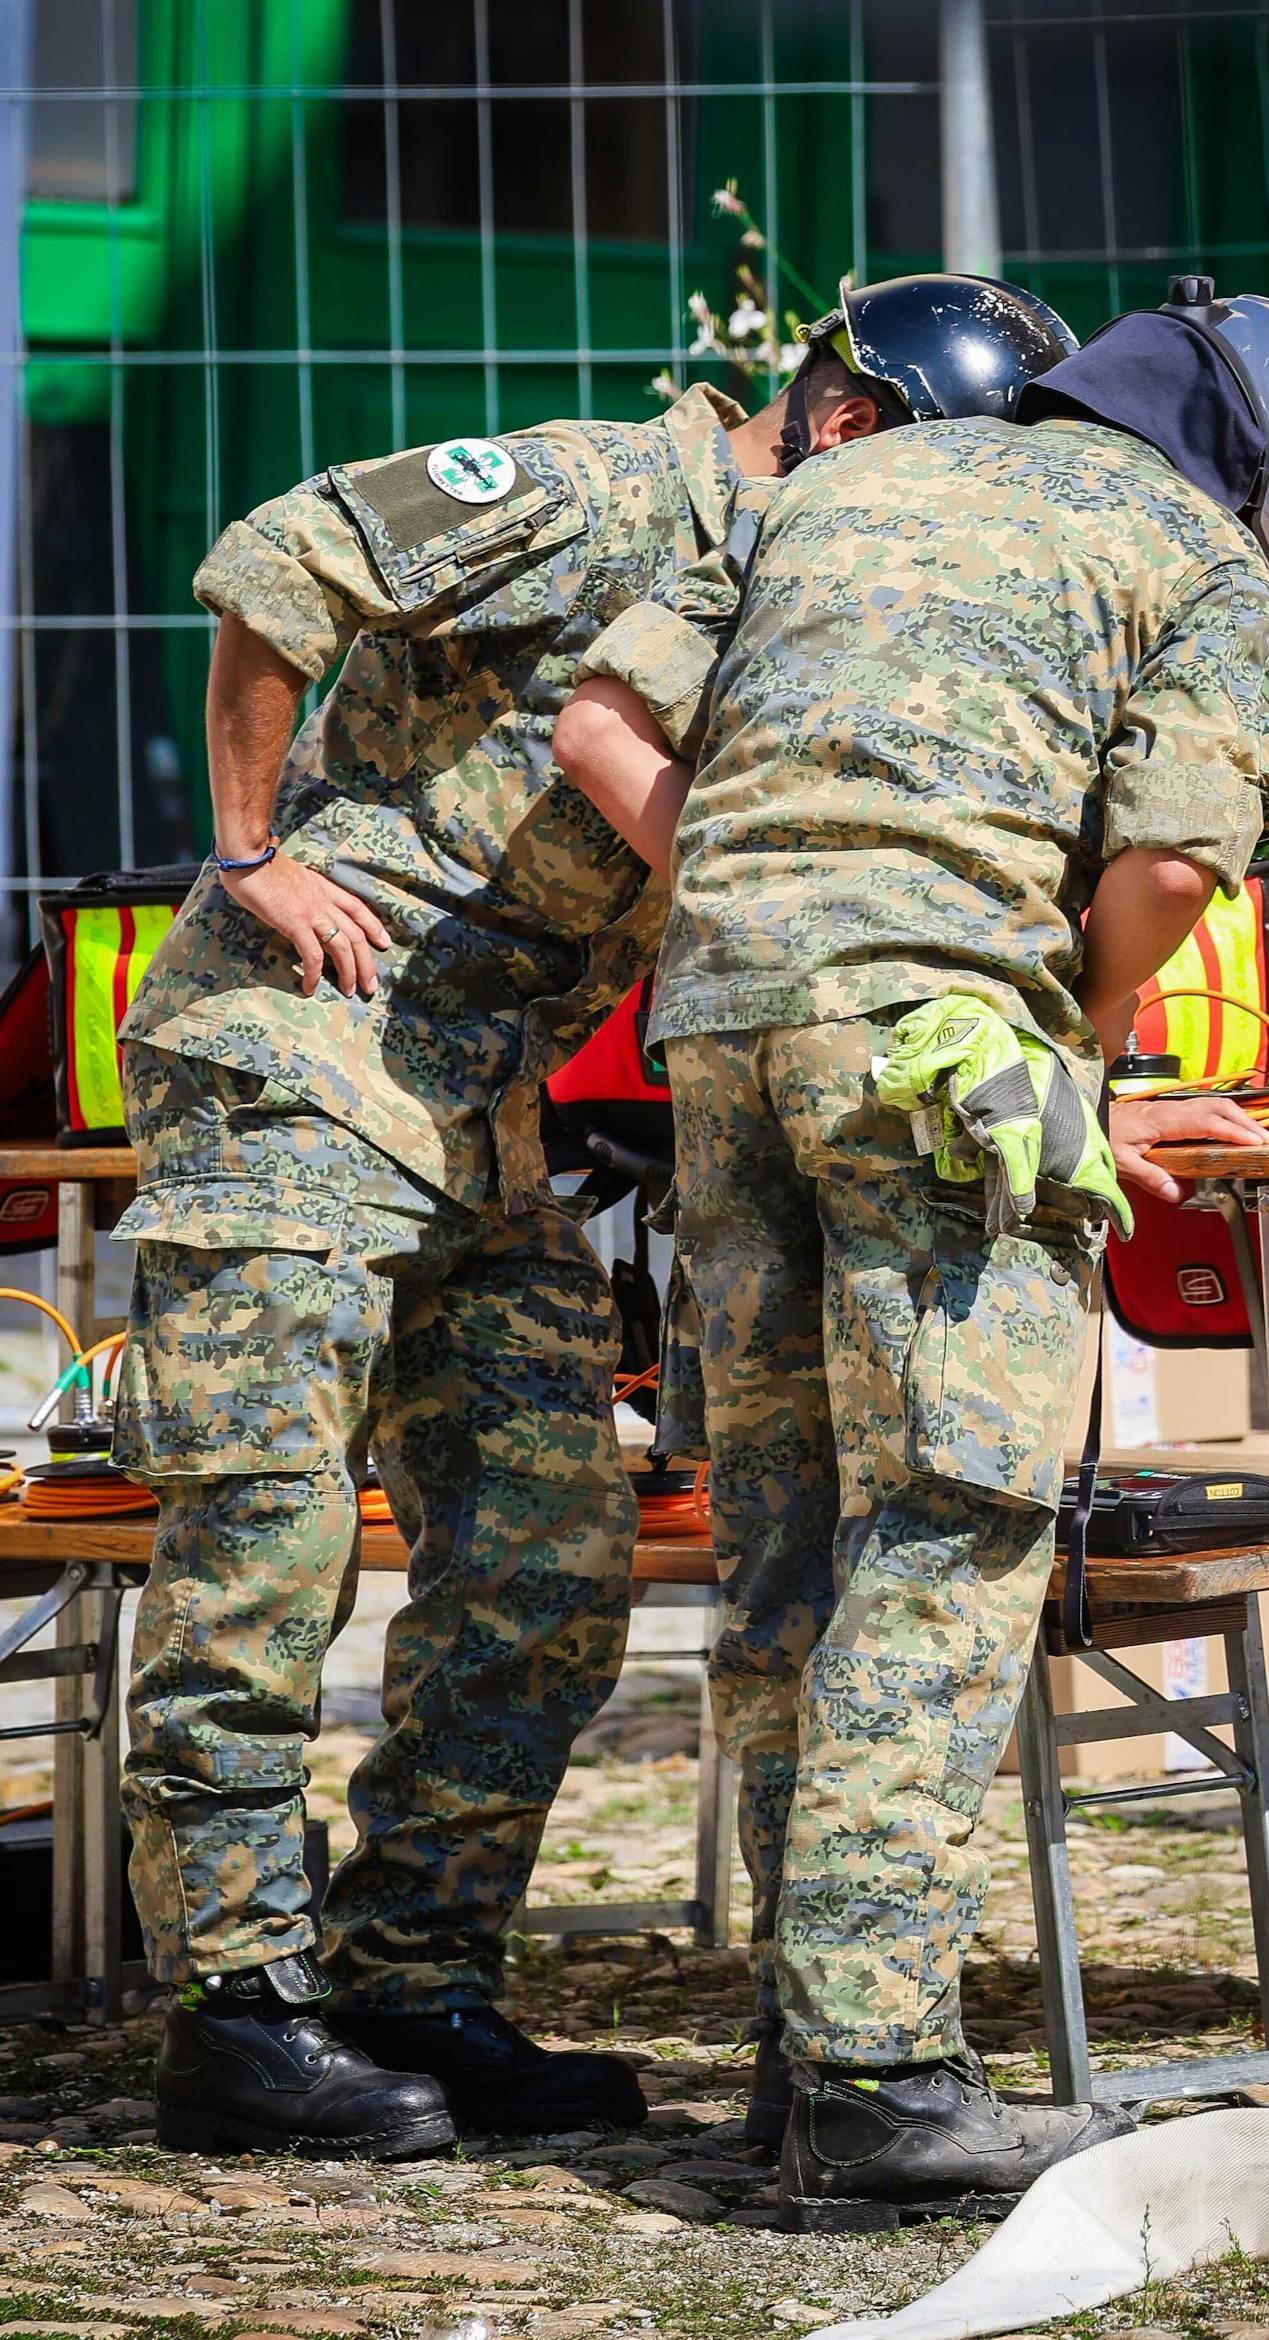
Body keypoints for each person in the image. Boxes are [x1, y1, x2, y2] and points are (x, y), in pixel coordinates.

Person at [113, 274, 1079, 2162]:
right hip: (298, 1058)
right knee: (264, 1544)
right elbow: (277, 561)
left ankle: (408, 1982)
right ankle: (233, 2018)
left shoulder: (785, 600)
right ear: (853, 433)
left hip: (477, 1115)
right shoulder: (608, 494)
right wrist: (250, 854)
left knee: (551, 1559)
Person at [552, 276, 1269, 2222]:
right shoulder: (1191, 552)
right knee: (955, 1517)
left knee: (784, 1535)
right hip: (934, 1058)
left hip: (722, 1034)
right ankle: (879, 2074)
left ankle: (801, 2030)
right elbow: (1173, 860)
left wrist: (777, 901)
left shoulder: (825, 492)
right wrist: (1069, 1049)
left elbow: (596, 721)